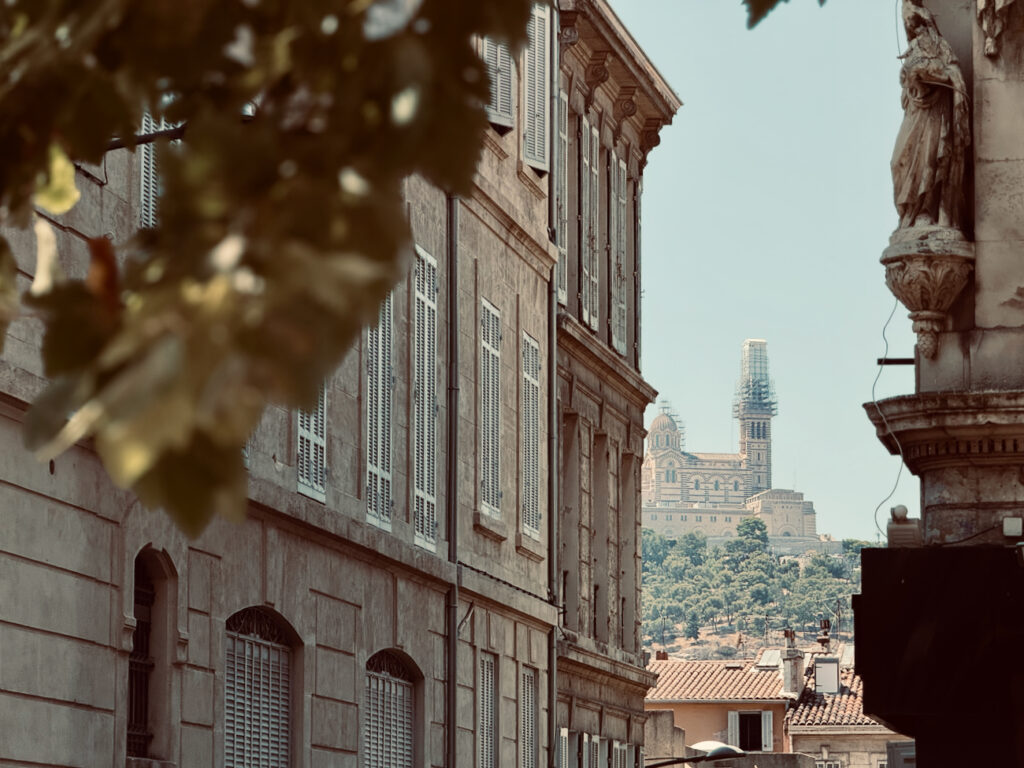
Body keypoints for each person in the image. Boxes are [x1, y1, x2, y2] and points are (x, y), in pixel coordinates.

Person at [891, 0, 970, 232]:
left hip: (935, 115)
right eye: (908, 26)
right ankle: (909, 216)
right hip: (916, 115)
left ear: (927, 26)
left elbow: (953, 74)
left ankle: (926, 210)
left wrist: (936, 75)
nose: (912, 31)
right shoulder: (911, 54)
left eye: (915, 24)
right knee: (898, 162)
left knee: (931, 160)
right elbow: (906, 91)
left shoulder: (940, 48)